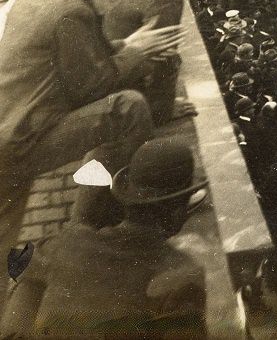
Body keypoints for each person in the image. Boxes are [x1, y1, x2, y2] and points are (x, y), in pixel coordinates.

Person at [0, 0, 182, 257]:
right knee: (128, 109)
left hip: (9, 127)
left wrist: (128, 45)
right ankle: (108, 219)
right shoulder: (72, 11)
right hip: (19, 142)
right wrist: (136, 54)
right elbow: (92, 87)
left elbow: (79, 57)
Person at [1, 137, 208, 337]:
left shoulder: (60, 244)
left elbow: (14, 324)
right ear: (177, 211)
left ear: (127, 198)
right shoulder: (182, 277)